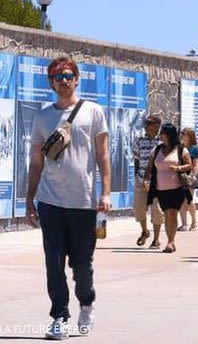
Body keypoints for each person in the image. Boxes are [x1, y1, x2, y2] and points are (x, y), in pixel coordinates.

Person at [25, 56, 112, 339]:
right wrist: (30, 199)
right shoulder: (42, 116)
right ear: (51, 83)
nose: (63, 81)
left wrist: (107, 193)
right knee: (53, 261)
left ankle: (86, 302)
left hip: (84, 202)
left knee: (82, 266)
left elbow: (102, 155)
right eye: (58, 76)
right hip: (50, 201)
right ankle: (59, 315)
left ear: (76, 79)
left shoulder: (93, 112)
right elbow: (36, 162)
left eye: (68, 75)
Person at [145, 123, 193, 254]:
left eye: (163, 133)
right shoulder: (157, 149)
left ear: (170, 135)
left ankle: (171, 242)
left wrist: (178, 168)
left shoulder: (181, 150)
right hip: (160, 188)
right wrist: (146, 179)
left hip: (176, 188)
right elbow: (150, 167)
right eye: (161, 133)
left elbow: (189, 165)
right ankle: (170, 240)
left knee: (172, 213)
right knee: (167, 215)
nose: (161, 135)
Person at [132, 115, 163, 249]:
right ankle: (145, 231)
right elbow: (136, 160)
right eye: (154, 126)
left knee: (156, 210)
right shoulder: (139, 141)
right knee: (139, 209)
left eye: (158, 126)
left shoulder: (162, 143)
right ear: (147, 127)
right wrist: (138, 177)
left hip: (157, 182)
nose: (156, 129)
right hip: (141, 180)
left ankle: (156, 239)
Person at [178, 127, 198, 231]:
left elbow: (195, 164)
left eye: (184, 134)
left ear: (189, 136)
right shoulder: (179, 147)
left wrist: (193, 176)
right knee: (181, 201)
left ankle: (194, 221)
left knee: (189, 200)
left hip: (189, 177)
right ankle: (184, 224)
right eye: (181, 133)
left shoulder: (194, 148)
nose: (182, 135)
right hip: (180, 176)